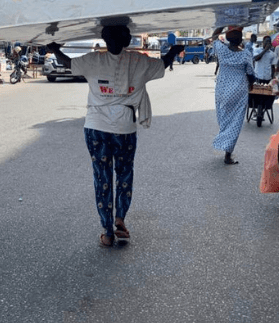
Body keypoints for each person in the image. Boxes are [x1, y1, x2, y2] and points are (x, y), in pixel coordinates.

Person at [47, 26, 183, 248]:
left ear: (103, 39)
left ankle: (107, 232)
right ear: (128, 39)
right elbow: (163, 64)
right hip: (124, 130)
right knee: (124, 174)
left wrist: (54, 49)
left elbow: (67, 64)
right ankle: (120, 219)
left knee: (102, 178)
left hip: (96, 129)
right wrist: (174, 51)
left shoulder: (93, 60)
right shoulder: (140, 62)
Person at [209, 26, 255, 165]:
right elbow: (251, 74)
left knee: (224, 118)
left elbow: (215, 36)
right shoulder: (246, 54)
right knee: (235, 122)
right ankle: (227, 155)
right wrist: (251, 84)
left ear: (227, 37)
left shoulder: (221, 50)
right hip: (239, 90)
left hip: (222, 89)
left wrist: (223, 24)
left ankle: (223, 140)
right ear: (241, 39)